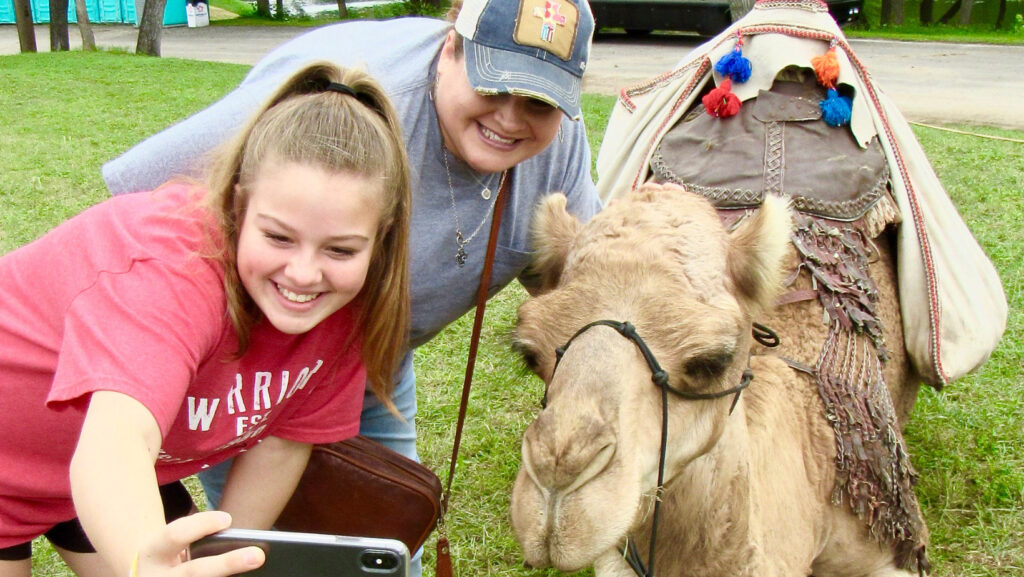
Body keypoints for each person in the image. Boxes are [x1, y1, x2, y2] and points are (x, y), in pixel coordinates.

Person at [103, 0, 602, 546]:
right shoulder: (347, 100)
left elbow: (586, 291)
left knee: (383, 533)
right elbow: (140, 201)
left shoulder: (555, 144)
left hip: (371, 353)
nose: (511, 117)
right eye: (494, 86)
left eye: (538, 99)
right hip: (250, 362)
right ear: (450, 49)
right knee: (276, 546)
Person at [0, 62, 411, 577]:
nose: (304, 273)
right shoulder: (172, 269)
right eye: (279, 237)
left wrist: (223, 566)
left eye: (341, 249)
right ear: (239, 206)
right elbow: (119, 440)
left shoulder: (349, 307)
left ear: (381, 236)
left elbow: (283, 445)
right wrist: (146, 566)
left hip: (95, 479)